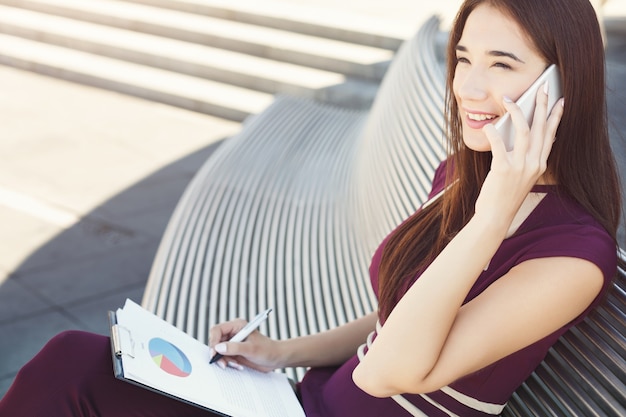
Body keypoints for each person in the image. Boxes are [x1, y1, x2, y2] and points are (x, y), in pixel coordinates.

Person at [0, 0, 621, 416]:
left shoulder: (571, 256)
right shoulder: (463, 172)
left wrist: (493, 215)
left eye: (502, 64)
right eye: (463, 58)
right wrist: (280, 352)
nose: (468, 87)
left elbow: (390, 373)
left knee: (72, 375)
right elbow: (396, 318)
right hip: (306, 401)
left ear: (563, 84)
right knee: (77, 359)